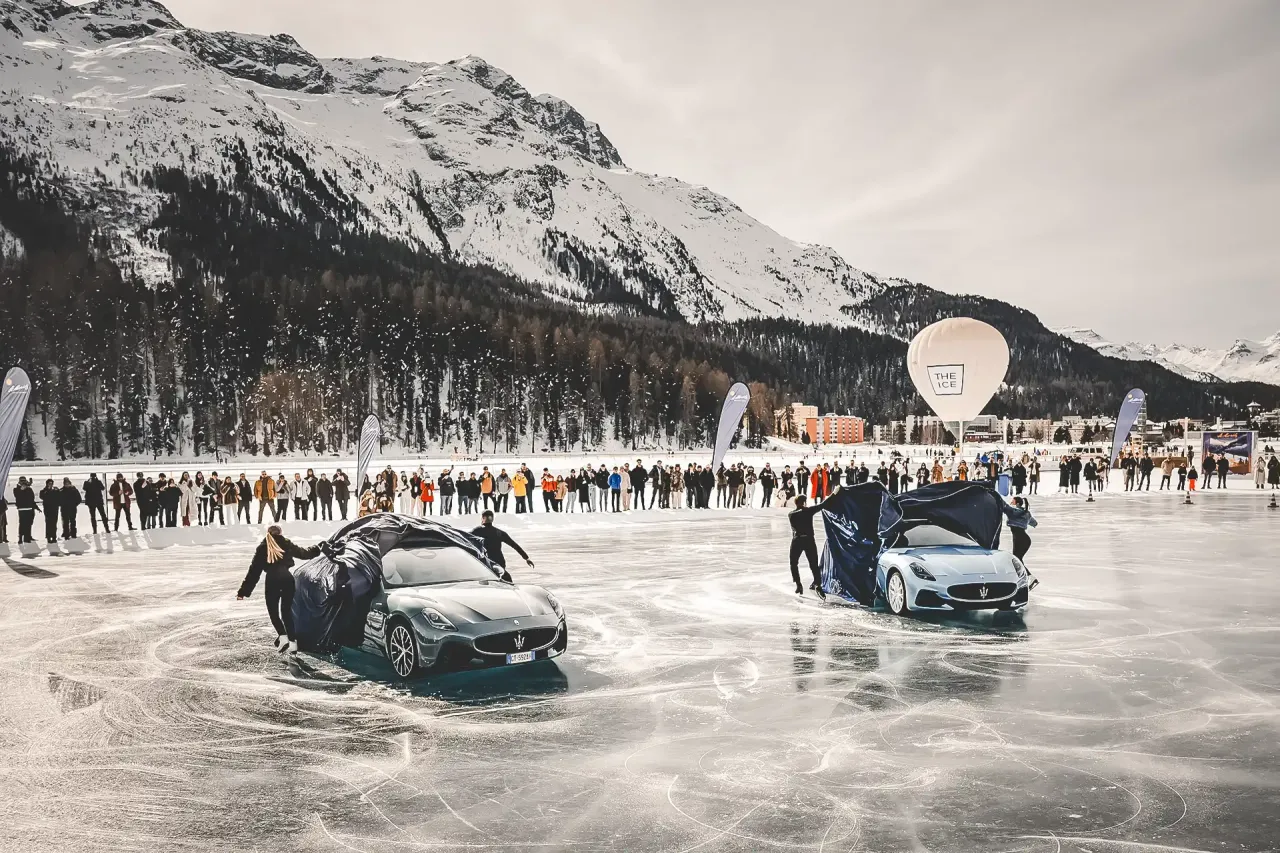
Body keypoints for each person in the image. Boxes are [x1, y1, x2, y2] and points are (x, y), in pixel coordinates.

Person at [235, 525, 321, 657]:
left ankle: (283, 636)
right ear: (280, 533)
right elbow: (304, 553)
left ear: (268, 533)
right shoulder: (286, 544)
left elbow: (254, 572)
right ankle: (293, 644)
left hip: (272, 581)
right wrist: (317, 548)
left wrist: (243, 591)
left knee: (274, 613)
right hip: (288, 580)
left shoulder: (262, 548)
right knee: (286, 613)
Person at [787, 493, 829, 598]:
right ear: (804, 502)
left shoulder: (791, 514)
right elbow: (823, 504)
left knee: (793, 563)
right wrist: (835, 494)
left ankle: (798, 584)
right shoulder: (808, 511)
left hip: (797, 540)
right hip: (809, 540)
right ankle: (818, 584)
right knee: (813, 563)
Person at [471, 511, 534, 580]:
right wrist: (526, 558)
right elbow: (514, 545)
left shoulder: (477, 531)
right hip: (499, 562)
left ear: (483, 518)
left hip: (486, 562)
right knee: (502, 580)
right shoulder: (499, 532)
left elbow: (465, 539)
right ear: (492, 519)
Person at [1003, 496, 1039, 589]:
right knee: (1017, 559)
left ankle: (1030, 577)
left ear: (1017, 503)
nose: (1011, 502)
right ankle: (1026, 578)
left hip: (1019, 539)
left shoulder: (1013, 511)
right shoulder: (1026, 513)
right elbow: (1034, 523)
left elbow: (1003, 505)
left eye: (1013, 501)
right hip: (1025, 539)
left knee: (1016, 560)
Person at [14, 477, 38, 543]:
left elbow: (32, 499)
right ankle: (20, 538)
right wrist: (21, 489)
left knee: (28, 524)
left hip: (29, 509)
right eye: (22, 481)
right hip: (22, 509)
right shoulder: (16, 489)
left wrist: (36, 507)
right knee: (22, 524)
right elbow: (17, 496)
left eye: (24, 481)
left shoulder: (29, 489)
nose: (23, 482)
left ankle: (27, 537)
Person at [39, 478, 60, 543]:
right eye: (49, 483)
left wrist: (58, 490)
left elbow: (59, 496)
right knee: (48, 523)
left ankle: (54, 537)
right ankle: (48, 537)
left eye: (51, 483)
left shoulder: (55, 490)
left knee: (54, 523)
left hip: (54, 509)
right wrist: (47, 490)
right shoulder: (43, 491)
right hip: (47, 509)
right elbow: (42, 496)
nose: (50, 485)